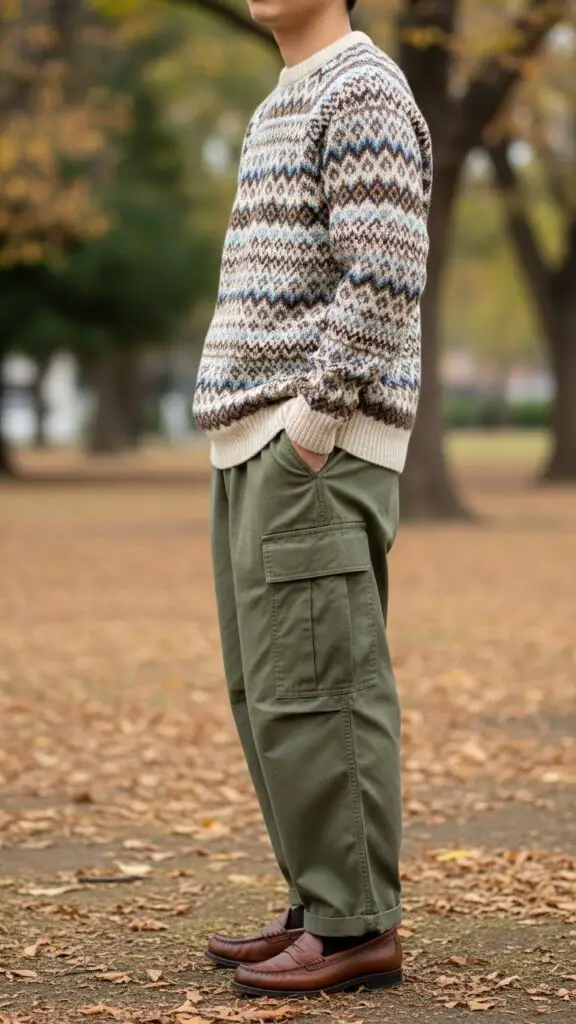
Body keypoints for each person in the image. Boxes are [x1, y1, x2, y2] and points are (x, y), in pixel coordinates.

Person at [193, 0, 432, 998]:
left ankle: (356, 927)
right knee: (274, 692)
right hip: (255, 442)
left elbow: (384, 277)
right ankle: (318, 897)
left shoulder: (363, 85)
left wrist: (312, 427)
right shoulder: (282, 98)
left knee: (324, 685)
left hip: (312, 449)